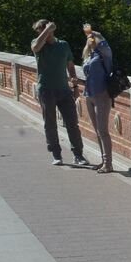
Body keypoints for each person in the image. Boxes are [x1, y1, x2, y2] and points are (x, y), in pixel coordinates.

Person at [30, 19, 88, 167]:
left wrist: (74, 87)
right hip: (46, 90)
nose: (41, 32)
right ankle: (56, 155)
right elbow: (35, 48)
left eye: (43, 29)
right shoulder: (38, 44)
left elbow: (70, 65)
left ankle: (78, 155)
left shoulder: (63, 45)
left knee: (72, 124)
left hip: (63, 90)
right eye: (39, 30)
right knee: (50, 124)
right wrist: (47, 30)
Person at [80, 29, 116, 174]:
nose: (91, 40)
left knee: (103, 131)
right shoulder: (88, 55)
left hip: (102, 96)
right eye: (89, 38)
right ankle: (103, 160)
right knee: (97, 131)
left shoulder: (104, 54)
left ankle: (108, 164)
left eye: (93, 39)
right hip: (89, 95)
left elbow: (105, 44)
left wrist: (95, 33)